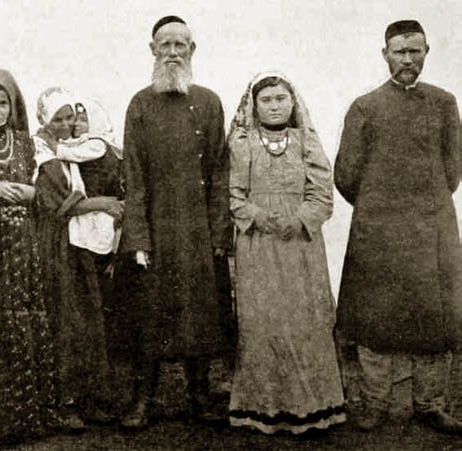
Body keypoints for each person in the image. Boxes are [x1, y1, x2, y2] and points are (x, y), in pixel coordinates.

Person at [335, 20, 462, 434]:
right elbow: (346, 175)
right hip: (379, 232)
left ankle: (430, 403)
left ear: (426, 52)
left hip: (432, 229)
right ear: (385, 54)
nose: (408, 59)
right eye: (399, 52)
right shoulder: (365, 107)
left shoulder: (444, 103)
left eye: (415, 51)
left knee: (435, 317)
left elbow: (453, 169)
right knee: (375, 319)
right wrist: (379, 209)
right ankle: (375, 402)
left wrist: (426, 206)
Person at [121, 15, 233, 428]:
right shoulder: (140, 104)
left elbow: (220, 172)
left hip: (198, 231)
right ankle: (143, 400)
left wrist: (219, 233)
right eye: (164, 45)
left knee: (199, 312)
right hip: (155, 229)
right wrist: (138, 238)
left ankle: (200, 395)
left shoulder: (209, 102)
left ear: (192, 50)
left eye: (179, 45)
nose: (172, 52)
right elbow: (133, 176)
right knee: (150, 313)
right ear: (152, 50)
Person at [227, 72, 346, 434]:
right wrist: (258, 216)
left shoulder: (305, 141)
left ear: (293, 103)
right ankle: (262, 408)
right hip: (258, 246)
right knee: (262, 322)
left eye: (281, 99)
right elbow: (232, 194)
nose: (274, 106)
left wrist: (301, 219)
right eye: (266, 100)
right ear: (254, 106)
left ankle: (311, 406)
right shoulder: (242, 143)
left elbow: (322, 192)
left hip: (301, 246)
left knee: (304, 321)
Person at [0, 69, 56, 444]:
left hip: (23, 245)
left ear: (13, 106)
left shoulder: (26, 143)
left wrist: (32, 194)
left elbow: (48, 189)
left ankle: (30, 419)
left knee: (25, 320)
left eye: (3, 103)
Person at [34, 88, 123, 430]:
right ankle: (63, 403)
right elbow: (55, 201)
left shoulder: (73, 149)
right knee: (65, 321)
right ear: (45, 120)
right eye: (57, 119)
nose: (66, 124)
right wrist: (101, 204)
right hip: (55, 244)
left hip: (77, 244)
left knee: (86, 321)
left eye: (69, 117)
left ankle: (91, 398)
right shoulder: (43, 150)